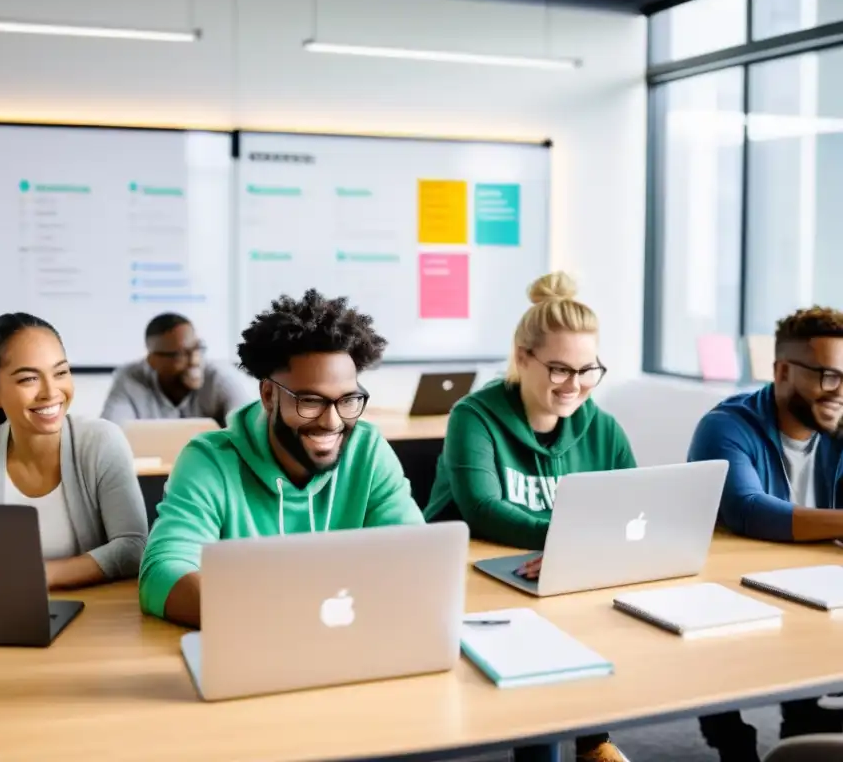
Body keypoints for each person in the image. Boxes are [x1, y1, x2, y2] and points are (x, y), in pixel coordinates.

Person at [425, 271, 634, 762]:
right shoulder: (473, 416)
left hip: (551, 573)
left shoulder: (600, 426)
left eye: (588, 370)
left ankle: (593, 742)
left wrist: (578, 549)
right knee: (541, 653)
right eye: (560, 369)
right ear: (523, 357)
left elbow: (630, 506)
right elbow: (483, 509)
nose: (576, 385)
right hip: (473, 580)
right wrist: (572, 542)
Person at [138, 289, 425, 627]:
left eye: (347, 400)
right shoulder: (209, 461)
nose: (332, 421)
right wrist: (287, 619)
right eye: (311, 401)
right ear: (269, 395)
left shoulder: (368, 450)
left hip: (353, 639)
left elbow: (415, 557)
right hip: (256, 645)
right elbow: (162, 574)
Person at [688, 305, 843, 762]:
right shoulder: (725, 426)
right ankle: (733, 738)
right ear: (781, 371)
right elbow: (749, 510)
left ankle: (807, 720)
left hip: (819, 579)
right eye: (828, 377)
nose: (839, 391)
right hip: (738, 587)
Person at [0, 312, 148, 590]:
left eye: (60, 372)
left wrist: (38, 576)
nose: (50, 391)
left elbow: (133, 548)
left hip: (94, 617)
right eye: (29, 379)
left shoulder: (101, 441)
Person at [101, 313, 251, 427]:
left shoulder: (220, 377)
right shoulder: (129, 379)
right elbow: (110, 436)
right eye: (181, 354)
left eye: (197, 348)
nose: (194, 360)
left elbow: (250, 431)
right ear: (153, 361)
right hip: (152, 468)